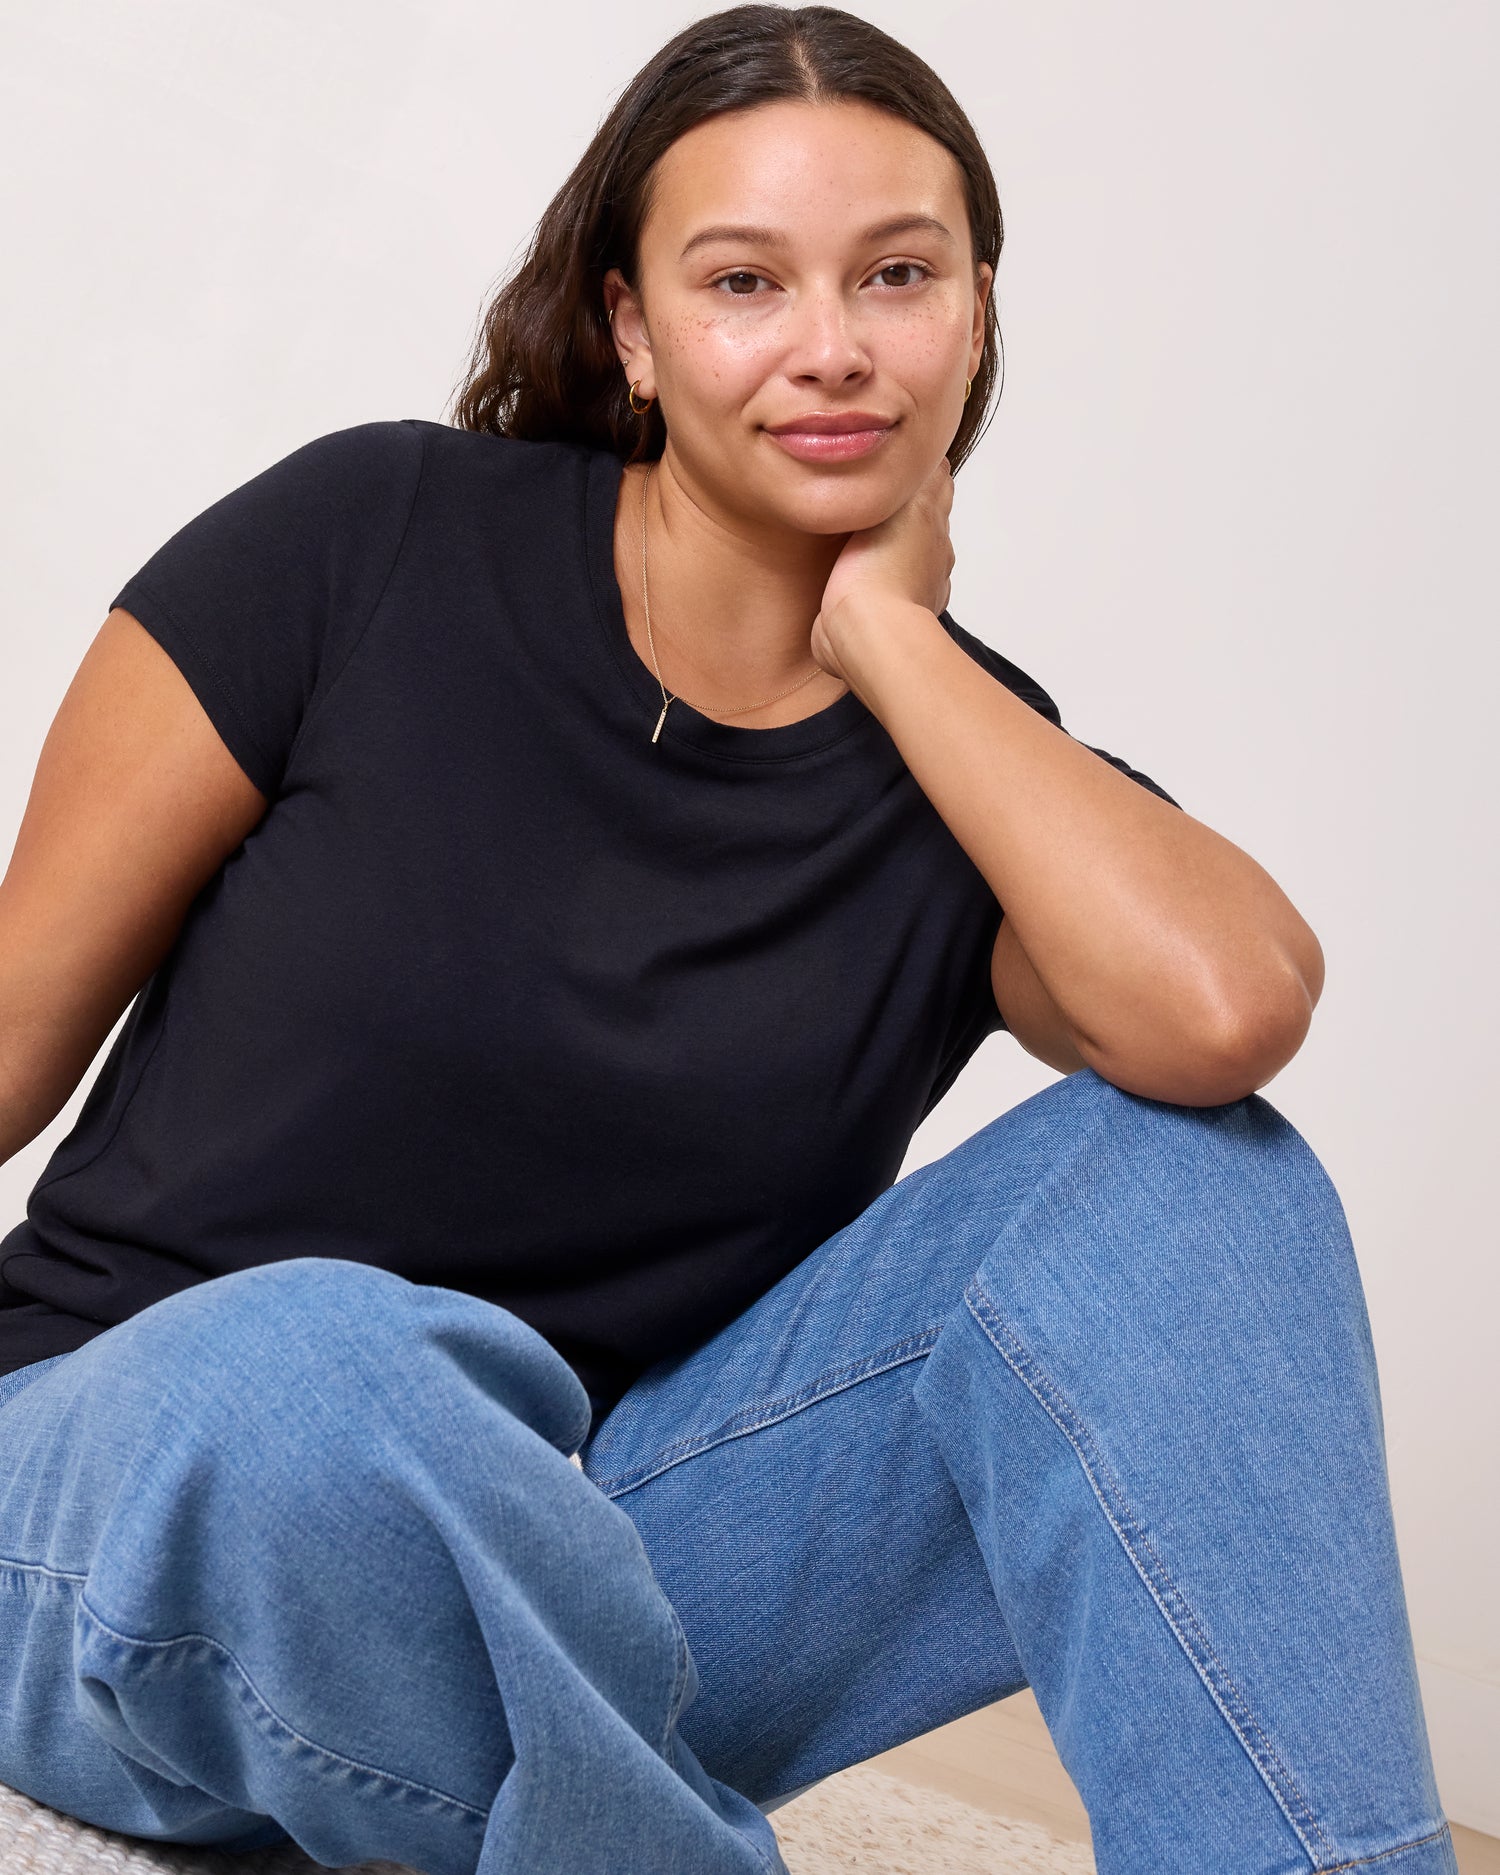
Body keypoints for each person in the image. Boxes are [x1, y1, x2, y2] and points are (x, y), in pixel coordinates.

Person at [0, 6, 1456, 1873]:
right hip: (114, 1487)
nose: (833, 347)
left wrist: (898, 649)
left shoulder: (962, 761)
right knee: (320, 1364)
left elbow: (1228, 1009)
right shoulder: (369, 538)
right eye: (746, 281)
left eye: (900, 276)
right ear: (631, 325)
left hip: (591, 1566)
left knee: (1194, 1186)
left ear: (979, 312)